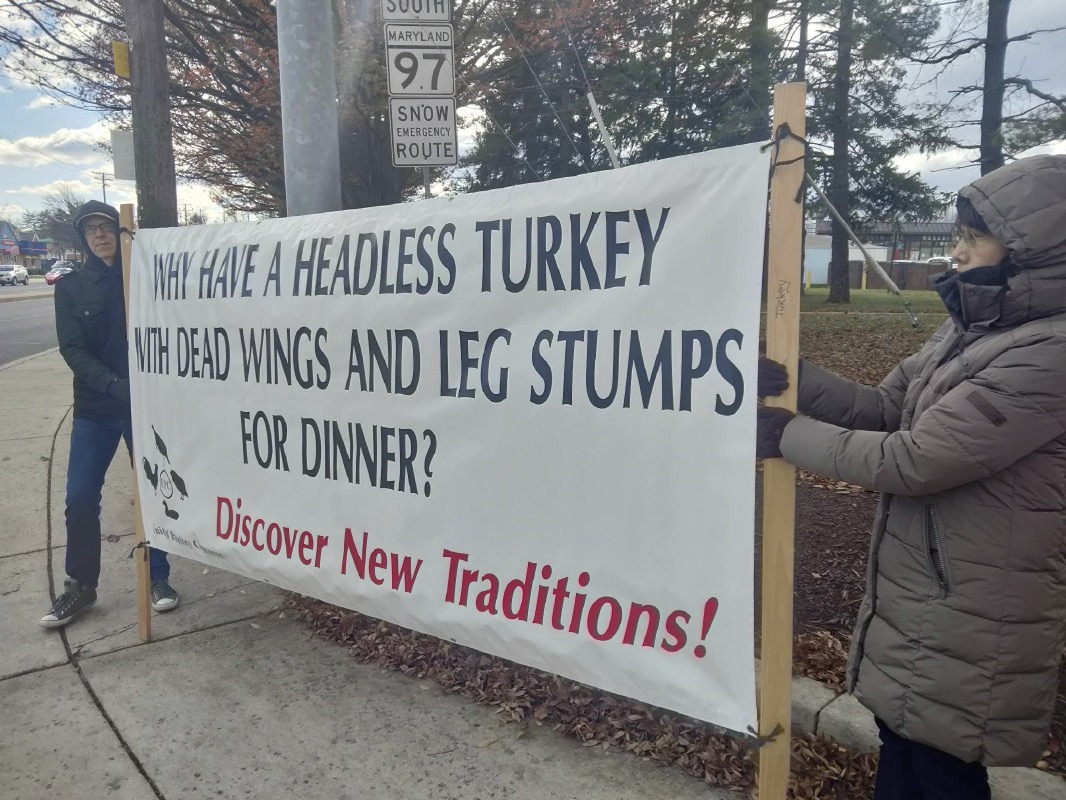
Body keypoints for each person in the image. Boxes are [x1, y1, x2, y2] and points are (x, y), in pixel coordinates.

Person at [757, 154, 1066, 799]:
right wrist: (798, 380)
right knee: (905, 754)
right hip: (931, 592)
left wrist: (788, 438)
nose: (957, 252)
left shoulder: (1048, 354)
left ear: (1032, 253)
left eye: (974, 238)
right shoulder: (969, 329)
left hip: (980, 605)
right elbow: (885, 408)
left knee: (941, 769)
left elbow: (915, 459)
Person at [40, 200, 179, 628]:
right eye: (91, 230)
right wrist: (113, 385)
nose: (100, 235)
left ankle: (158, 577)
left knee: (155, 493)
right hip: (97, 410)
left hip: (147, 408)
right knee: (80, 497)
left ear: (121, 232)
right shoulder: (71, 288)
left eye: (106, 227)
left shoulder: (146, 278)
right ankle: (81, 586)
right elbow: (73, 350)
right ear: (83, 239)